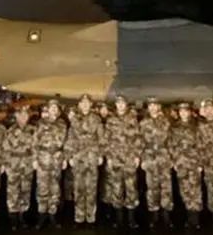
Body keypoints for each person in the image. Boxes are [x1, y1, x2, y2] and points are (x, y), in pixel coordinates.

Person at [66, 94, 105, 226]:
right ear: (79, 105)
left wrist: (101, 155)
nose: (85, 105)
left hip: (92, 157)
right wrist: (69, 156)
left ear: (91, 105)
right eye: (82, 103)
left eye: (87, 103)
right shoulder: (74, 119)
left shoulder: (96, 119)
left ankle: (90, 217)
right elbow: (70, 138)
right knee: (78, 188)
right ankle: (79, 217)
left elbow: (101, 138)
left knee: (91, 188)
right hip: (78, 157)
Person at [102, 97, 141, 227]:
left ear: (126, 105)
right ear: (116, 105)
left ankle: (131, 219)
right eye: (118, 103)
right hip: (115, 159)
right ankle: (119, 219)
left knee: (131, 188)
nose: (120, 105)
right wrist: (109, 157)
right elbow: (106, 140)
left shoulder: (132, 119)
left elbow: (138, 138)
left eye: (122, 103)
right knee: (117, 188)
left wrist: (137, 156)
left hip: (129, 158)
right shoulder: (111, 120)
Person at [138, 99, 172, 226]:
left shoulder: (166, 122)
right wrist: (142, 159)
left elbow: (170, 141)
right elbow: (140, 142)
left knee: (166, 187)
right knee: (152, 187)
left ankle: (166, 215)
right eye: (150, 106)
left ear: (159, 107)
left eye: (154, 105)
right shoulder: (143, 123)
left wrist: (172, 158)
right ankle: (154, 215)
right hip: (150, 157)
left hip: (164, 157)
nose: (152, 108)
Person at [169, 102, 203, 227]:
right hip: (181, 162)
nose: (183, 113)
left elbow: (200, 145)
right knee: (184, 190)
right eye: (181, 111)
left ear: (189, 112)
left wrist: (200, 162)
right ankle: (188, 217)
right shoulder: (174, 127)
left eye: (185, 111)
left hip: (193, 161)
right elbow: (171, 145)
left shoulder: (195, 126)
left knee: (195, 189)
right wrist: (174, 160)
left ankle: (195, 219)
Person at [34, 100, 67, 227]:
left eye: (55, 107)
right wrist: (34, 159)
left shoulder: (62, 124)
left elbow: (65, 143)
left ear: (58, 110)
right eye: (51, 107)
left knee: (55, 188)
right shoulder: (41, 123)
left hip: (57, 159)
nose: (53, 109)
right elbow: (34, 142)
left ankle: (53, 214)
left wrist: (65, 158)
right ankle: (42, 214)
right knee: (42, 187)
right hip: (43, 158)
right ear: (47, 109)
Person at [3, 107, 35, 229]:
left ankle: (22, 215)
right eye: (20, 115)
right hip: (14, 164)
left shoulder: (33, 130)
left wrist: (35, 161)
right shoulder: (10, 131)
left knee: (25, 190)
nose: (23, 117)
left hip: (27, 164)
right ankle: (13, 216)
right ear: (16, 116)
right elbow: (6, 149)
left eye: (25, 115)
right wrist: (6, 164)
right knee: (13, 190)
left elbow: (36, 147)